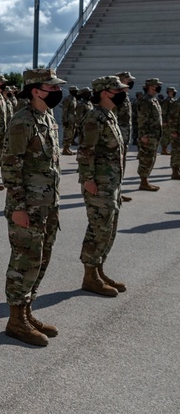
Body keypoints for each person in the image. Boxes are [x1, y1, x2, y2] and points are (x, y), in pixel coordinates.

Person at [1, 68, 65, 347]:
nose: (56, 93)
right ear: (36, 91)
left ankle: (27, 311)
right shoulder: (22, 121)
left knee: (41, 259)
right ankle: (16, 319)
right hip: (27, 205)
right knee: (24, 261)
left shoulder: (47, 117)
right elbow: (11, 165)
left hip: (48, 203)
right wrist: (18, 207)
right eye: (51, 88)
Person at [77, 76, 129, 297]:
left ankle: (98, 270)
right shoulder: (94, 117)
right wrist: (88, 179)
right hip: (98, 183)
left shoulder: (109, 116)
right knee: (99, 228)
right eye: (118, 90)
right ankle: (90, 276)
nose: (122, 93)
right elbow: (85, 150)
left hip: (111, 182)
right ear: (105, 93)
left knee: (108, 227)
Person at [136, 78, 164, 191]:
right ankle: (143, 182)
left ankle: (145, 180)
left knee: (151, 158)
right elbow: (142, 119)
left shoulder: (153, 99)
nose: (158, 87)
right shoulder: (145, 100)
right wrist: (143, 135)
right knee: (146, 158)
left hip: (155, 134)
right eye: (156, 85)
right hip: (149, 135)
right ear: (151, 87)